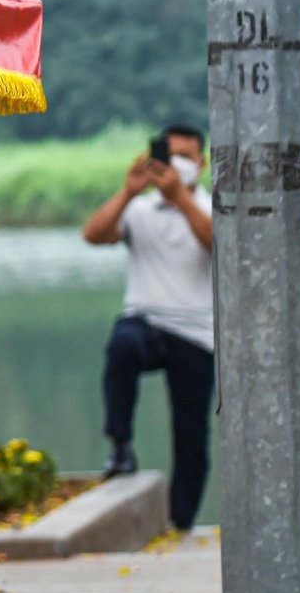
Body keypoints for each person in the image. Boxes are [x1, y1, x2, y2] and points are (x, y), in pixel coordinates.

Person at [80, 123, 215, 530]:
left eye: (186, 158)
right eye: (168, 156)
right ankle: (120, 445)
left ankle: (180, 522)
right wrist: (128, 192)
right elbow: (94, 234)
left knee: (191, 433)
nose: (176, 165)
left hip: (196, 333)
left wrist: (180, 199)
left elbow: (217, 243)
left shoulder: (212, 207)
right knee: (121, 344)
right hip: (147, 322)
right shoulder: (140, 210)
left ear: (202, 164)